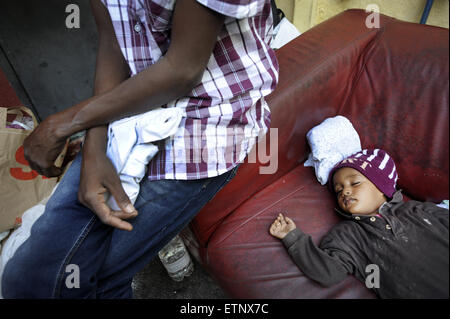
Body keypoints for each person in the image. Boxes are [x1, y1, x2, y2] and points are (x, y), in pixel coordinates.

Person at [2, 0, 278, 298]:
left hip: (208, 125)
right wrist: (95, 148)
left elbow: (183, 69)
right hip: (134, 106)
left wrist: (61, 125)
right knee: (32, 279)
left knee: (77, 280)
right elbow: (113, 42)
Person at [270, 149, 449, 299]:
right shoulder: (347, 235)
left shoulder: (416, 210)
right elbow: (328, 272)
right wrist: (293, 238)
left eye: (354, 183)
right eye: (338, 190)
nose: (345, 191)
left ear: (382, 189)